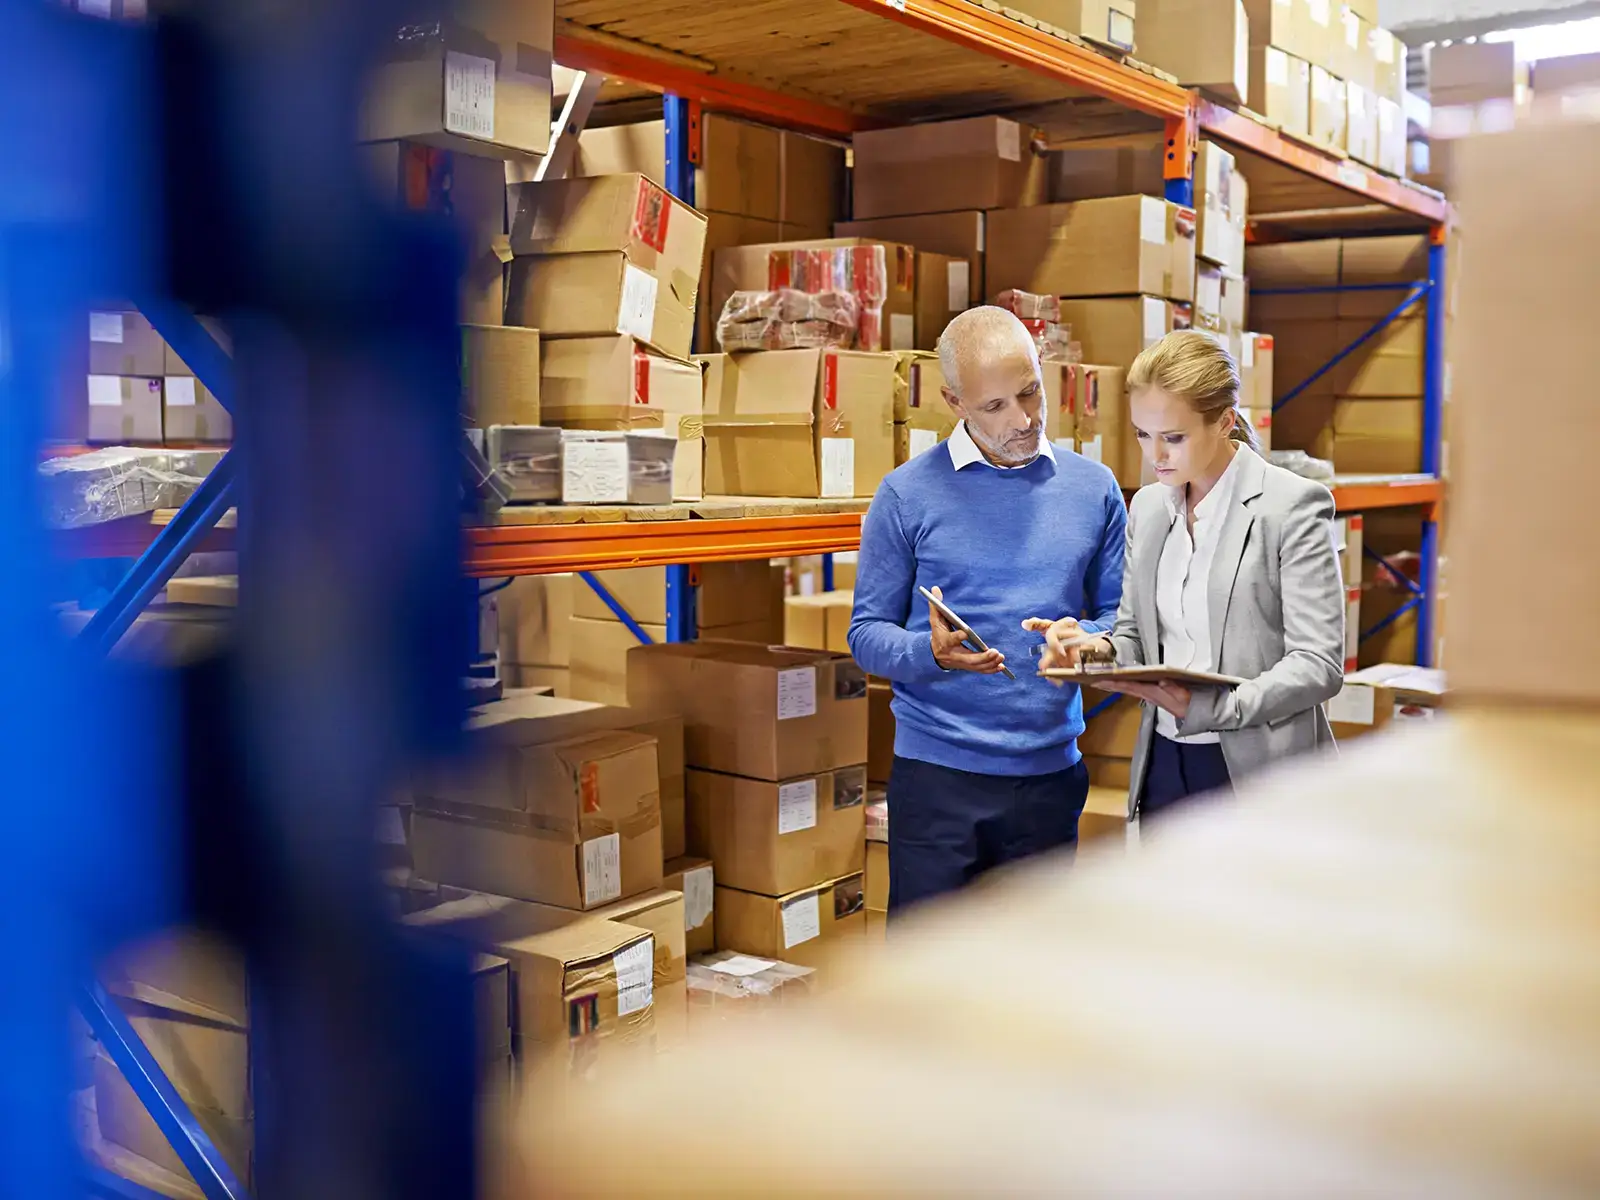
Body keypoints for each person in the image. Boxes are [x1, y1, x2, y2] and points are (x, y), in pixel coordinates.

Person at [847, 306, 1126, 915]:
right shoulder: (905, 495)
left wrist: (1087, 645)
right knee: (927, 966)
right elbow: (865, 634)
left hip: (1051, 778)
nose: (1022, 419)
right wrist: (929, 652)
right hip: (937, 781)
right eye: (995, 406)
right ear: (954, 402)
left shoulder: (1095, 489)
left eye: (1030, 392)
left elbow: (1120, 621)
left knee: (1034, 967)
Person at [1038, 330, 1345, 821]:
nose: (1154, 455)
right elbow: (1134, 638)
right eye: (1142, 434)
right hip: (1164, 761)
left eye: (1173, 437)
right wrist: (1089, 652)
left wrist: (1216, 710)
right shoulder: (1148, 508)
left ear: (1224, 422)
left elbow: (1318, 664)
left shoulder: (1291, 507)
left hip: (1260, 774)